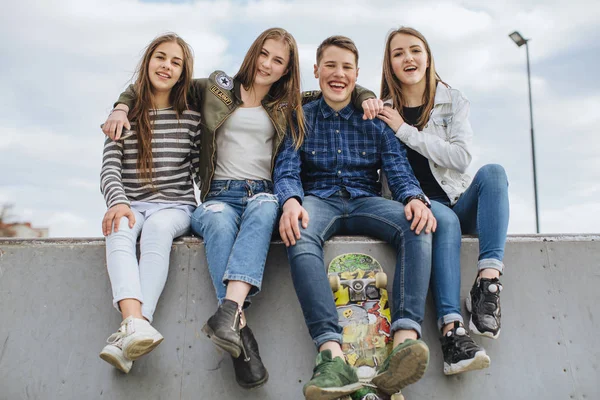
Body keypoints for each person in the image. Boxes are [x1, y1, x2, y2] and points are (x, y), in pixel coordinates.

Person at [103, 28, 375, 388]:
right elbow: (165, 81)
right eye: (263, 54)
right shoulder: (217, 88)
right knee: (215, 221)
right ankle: (238, 327)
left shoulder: (289, 103)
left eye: (278, 60)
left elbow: (339, 86)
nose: (267, 64)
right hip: (218, 195)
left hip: (263, 192)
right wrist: (121, 105)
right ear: (252, 52)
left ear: (286, 70)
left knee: (264, 209)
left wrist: (368, 94)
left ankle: (230, 316)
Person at [274, 35, 437, 400]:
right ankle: (332, 358)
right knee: (298, 232)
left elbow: (397, 169)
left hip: (365, 201)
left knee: (419, 225)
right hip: (319, 201)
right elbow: (286, 170)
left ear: (357, 74)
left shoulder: (374, 118)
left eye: (347, 67)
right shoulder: (299, 116)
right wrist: (290, 201)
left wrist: (412, 197)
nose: (338, 74)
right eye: (330, 65)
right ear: (316, 71)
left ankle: (403, 344)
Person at [361, 26, 509, 375]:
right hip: (417, 208)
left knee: (494, 174)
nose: (408, 58)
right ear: (390, 65)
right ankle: (451, 329)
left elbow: (459, 158)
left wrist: (405, 130)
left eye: (415, 50)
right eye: (398, 53)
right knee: (443, 216)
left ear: (428, 58)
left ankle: (488, 286)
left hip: (456, 200)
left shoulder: (452, 100)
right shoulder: (383, 111)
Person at [99, 33, 200, 374]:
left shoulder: (191, 117)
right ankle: (135, 324)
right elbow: (110, 167)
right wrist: (117, 203)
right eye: (161, 57)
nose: (167, 66)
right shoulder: (123, 116)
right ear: (148, 62)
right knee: (119, 229)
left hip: (176, 207)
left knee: (157, 229)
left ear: (184, 72)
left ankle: (133, 325)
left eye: (176, 62)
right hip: (132, 203)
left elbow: (200, 169)